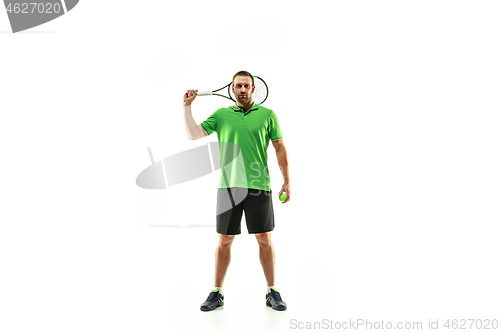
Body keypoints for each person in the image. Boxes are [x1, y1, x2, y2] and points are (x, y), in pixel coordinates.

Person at [182, 71, 290, 311]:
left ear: (253, 89)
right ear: (232, 89)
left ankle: (272, 291)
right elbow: (193, 134)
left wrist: (287, 181)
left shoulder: (267, 115)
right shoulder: (221, 115)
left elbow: (279, 147)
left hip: (259, 186)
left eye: (246, 86)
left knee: (264, 238)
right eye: (238, 86)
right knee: (224, 240)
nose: (242, 89)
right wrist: (187, 107)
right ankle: (216, 292)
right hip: (228, 186)